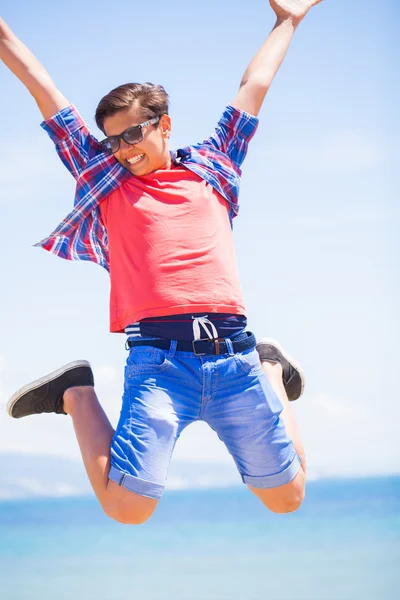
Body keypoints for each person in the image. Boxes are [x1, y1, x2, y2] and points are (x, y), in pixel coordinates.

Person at [1, 0, 321, 524]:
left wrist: (288, 20)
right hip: (159, 363)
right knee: (128, 508)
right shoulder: (106, 182)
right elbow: (43, 89)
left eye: (133, 134)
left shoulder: (215, 166)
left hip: (235, 358)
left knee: (289, 498)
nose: (124, 149)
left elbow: (254, 87)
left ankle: (271, 369)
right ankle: (75, 393)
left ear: (163, 124)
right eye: (113, 139)